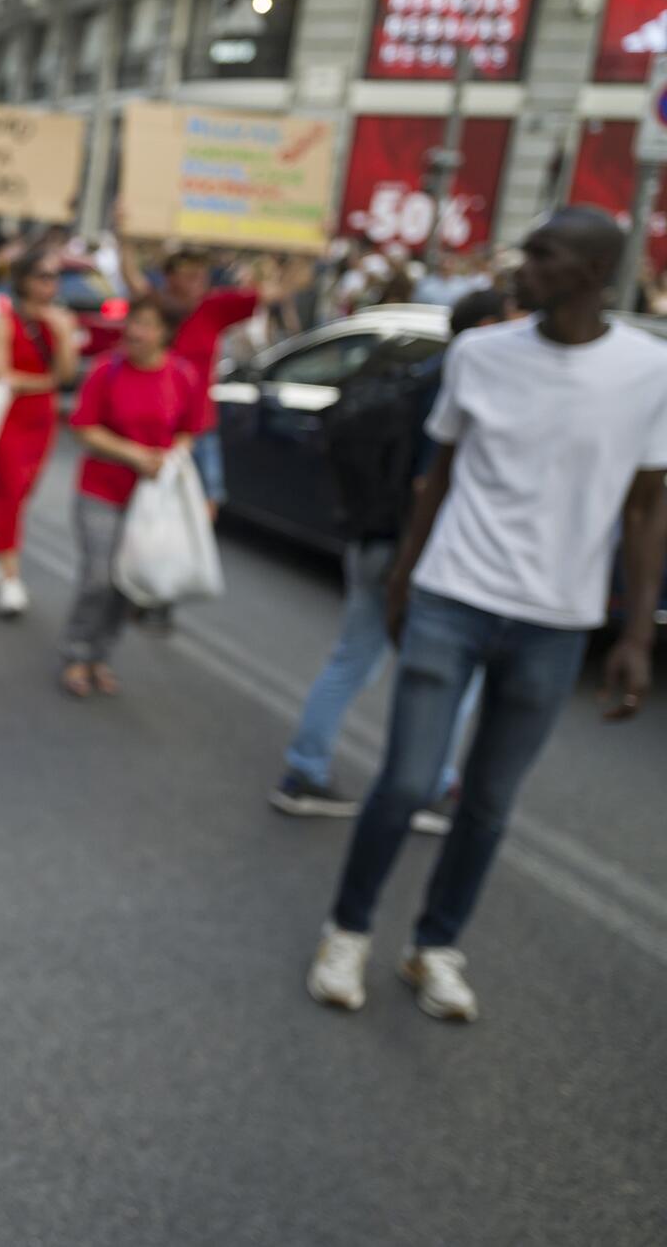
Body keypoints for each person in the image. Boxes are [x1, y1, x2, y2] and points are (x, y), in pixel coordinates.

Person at [306, 209, 667, 1023]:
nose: (520, 267)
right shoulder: (479, 354)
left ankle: (435, 945)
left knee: (490, 802)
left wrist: (636, 635)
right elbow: (438, 476)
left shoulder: (648, 372)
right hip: (454, 598)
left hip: (556, 619)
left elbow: (648, 511)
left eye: (543, 255)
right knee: (405, 782)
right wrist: (402, 583)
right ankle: (349, 929)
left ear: (591, 273)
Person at [270, 290, 509, 826]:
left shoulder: (418, 375)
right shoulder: (459, 383)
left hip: (376, 537)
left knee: (353, 657)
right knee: (451, 676)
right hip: (414, 552)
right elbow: (429, 482)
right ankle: (428, 786)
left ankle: (304, 771)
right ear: (488, 327)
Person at [58, 296, 207, 698]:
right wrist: (134, 455)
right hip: (101, 490)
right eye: (134, 322)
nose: (136, 332)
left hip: (150, 502)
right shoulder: (106, 370)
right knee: (99, 577)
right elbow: (83, 428)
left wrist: (173, 459)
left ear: (165, 334)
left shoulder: (183, 376)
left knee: (128, 580)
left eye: (146, 325)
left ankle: (101, 654)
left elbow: (190, 430)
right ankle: (76, 651)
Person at [0, 249, 80, 618]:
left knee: (22, 492)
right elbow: (2, 374)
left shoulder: (61, 320)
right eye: (42, 275)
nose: (49, 284)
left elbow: (68, 375)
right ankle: (10, 576)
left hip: (43, 420)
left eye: (54, 277)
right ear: (24, 279)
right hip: (10, 418)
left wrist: (63, 335)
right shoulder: (4, 321)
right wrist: (45, 382)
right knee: (9, 489)